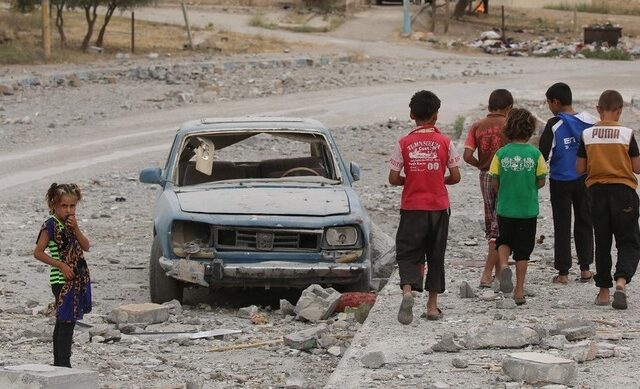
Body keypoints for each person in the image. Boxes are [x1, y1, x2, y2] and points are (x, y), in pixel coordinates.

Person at [389, 90, 461, 324]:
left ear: (412, 115)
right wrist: (439, 179)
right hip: (439, 207)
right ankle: (432, 307)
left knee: (408, 251)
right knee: (436, 254)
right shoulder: (445, 142)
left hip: (412, 207)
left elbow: (393, 177)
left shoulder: (404, 143)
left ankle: (408, 291)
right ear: (436, 116)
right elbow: (456, 176)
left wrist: (409, 180)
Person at [576, 90, 640, 310]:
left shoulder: (587, 135)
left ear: (598, 110)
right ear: (620, 111)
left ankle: (603, 293)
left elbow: (580, 168)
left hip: (596, 193)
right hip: (623, 193)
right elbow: (637, 168)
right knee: (629, 241)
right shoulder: (627, 134)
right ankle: (621, 283)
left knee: (602, 242)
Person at [539, 82, 596, 285]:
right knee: (585, 221)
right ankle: (585, 269)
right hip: (586, 179)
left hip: (561, 180)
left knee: (562, 224)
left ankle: (563, 273)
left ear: (555, 102)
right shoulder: (590, 121)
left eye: (548, 103)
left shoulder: (554, 124)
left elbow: (543, 155)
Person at [489, 108, 547, 305]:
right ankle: (520, 291)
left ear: (508, 129)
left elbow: (494, 181)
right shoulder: (535, 154)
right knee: (523, 250)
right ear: (530, 130)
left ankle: (504, 265)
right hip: (527, 210)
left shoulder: (501, 154)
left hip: (506, 207)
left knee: (503, 240)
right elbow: (541, 181)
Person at [34, 183, 92, 368]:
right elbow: (38, 252)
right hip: (61, 281)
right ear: (53, 205)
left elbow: (86, 246)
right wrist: (61, 265)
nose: (68, 210)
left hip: (77, 280)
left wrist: (76, 228)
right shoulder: (50, 225)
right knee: (66, 322)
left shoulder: (71, 224)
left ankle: (59, 364)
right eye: (64, 206)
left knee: (65, 321)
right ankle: (63, 365)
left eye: (72, 206)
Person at [463, 89, 513, 288]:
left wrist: (482, 165)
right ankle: (486, 274)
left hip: (485, 176)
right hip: (506, 177)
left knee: (493, 220)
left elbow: (467, 155)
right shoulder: (508, 125)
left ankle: (500, 273)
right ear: (508, 108)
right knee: (499, 225)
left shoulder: (477, 126)